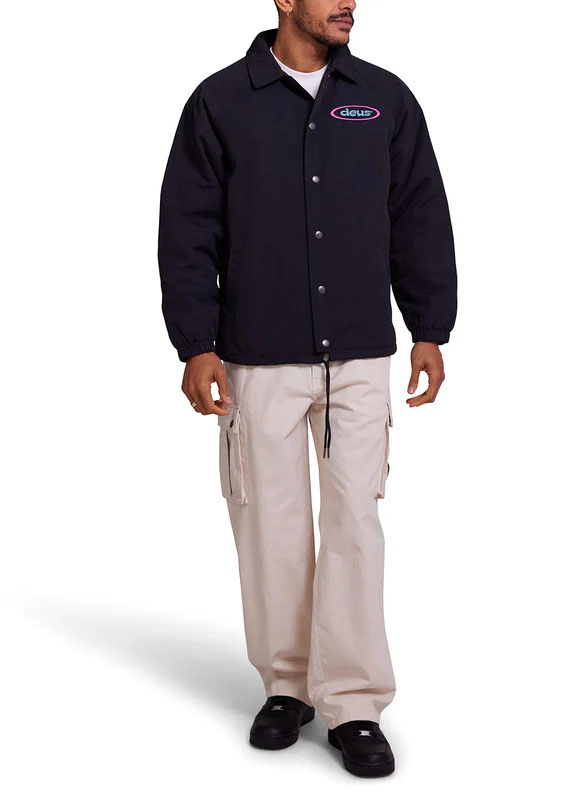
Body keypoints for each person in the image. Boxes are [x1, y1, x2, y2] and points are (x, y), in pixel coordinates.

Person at [157, 0, 457, 778]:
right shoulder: (221, 101)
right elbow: (188, 230)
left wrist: (430, 327)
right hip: (257, 355)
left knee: (356, 521)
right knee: (271, 524)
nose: (348, 3)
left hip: (358, 354)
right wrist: (196, 344)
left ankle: (353, 702)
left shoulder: (384, 99)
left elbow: (418, 212)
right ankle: (287, 686)